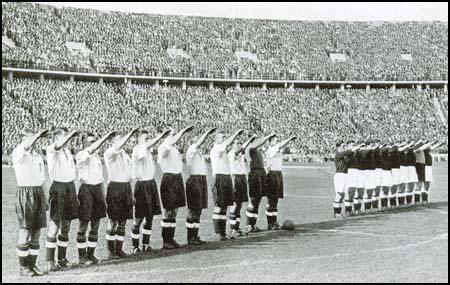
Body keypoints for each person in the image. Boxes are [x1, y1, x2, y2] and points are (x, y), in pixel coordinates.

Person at [12, 127, 49, 276]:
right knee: (25, 230)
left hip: (38, 192)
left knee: (37, 231)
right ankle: (24, 267)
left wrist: (45, 197)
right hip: (25, 193)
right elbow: (27, 145)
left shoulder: (38, 156)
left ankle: (33, 265)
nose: (35, 140)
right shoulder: (18, 151)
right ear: (23, 139)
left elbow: (42, 180)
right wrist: (39, 134)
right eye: (31, 137)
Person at [76, 131, 116, 265]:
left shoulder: (96, 157)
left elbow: (100, 178)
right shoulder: (81, 155)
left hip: (97, 189)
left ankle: (90, 254)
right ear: (84, 143)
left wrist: (103, 197)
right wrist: (105, 136)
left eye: (95, 141)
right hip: (86, 189)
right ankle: (82, 257)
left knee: (96, 224)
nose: (94, 144)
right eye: (91, 142)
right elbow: (91, 150)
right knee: (83, 224)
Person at [45, 127, 81, 271]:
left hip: (70, 187)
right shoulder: (52, 149)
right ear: (57, 137)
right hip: (58, 187)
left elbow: (71, 173)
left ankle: (62, 259)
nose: (68, 139)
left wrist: (74, 193)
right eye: (65, 136)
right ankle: (49, 261)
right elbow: (59, 145)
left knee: (66, 225)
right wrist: (71, 134)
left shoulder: (67, 151)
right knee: (55, 224)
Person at [131, 129, 169, 253]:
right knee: (139, 217)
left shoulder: (147, 151)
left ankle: (146, 244)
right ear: (139, 139)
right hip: (142, 185)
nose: (148, 141)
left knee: (150, 216)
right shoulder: (138, 149)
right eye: (145, 138)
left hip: (151, 184)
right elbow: (146, 146)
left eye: (148, 138)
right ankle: (135, 246)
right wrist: (161, 136)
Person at [104, 128, 139, 259]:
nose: (123, 141)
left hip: (125, 188)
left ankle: (119, 249)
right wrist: (130, 133)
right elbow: (118, 147)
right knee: (113, 221)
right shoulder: (109, 152)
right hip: (115, 187)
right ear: (112, 141)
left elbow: (128, 175)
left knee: (123, 221)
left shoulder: (125, 154)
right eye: (119, 138)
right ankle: (111, 251)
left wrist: (131, 193)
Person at [158, 125, 194, 249]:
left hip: (177, 178)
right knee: (168, 211)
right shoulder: (163, 147)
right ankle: (165, 240)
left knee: (175, 211)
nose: (175, 136)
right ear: (166, 136)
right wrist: (183, 131)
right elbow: (169, 144)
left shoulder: (175, 148)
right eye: (172, 134)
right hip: (169, 179)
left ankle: (171, 238)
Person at [210, 129, 244, 240]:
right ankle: (217, 232)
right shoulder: (216, 148)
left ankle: (223, 232)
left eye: (224, 136)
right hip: (219, 177)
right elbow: (227, 144)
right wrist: (235, 134)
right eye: (221, 136)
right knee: (219, 206)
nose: (224, 138)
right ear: (216, 139)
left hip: (226, 177)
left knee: (224, 207)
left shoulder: (223, 149)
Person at [185, 128, 216, 245]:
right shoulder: (191, 149)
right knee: (193, 209)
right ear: (191, 142)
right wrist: (207, 132)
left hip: (201, 179)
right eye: (196, 140)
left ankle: (195, 235)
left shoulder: (198, 152)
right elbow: (199, 143)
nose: (199, 141)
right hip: (194, 179)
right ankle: (190, 237)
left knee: (199, 209)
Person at [245, 132, 276, 232]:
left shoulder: (256, 149)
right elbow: (260, 142)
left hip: (261, 173)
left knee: (257, 200)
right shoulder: (250, 147)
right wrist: (269, 135)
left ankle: (253, 225)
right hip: (254, 174)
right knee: (253, 200)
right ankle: (249, 225)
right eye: (256, 138)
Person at [265, 135, 297, 229]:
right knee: (271, 200)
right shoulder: (271, 149)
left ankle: (274, 222)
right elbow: (280, 145)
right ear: (270, 142)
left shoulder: (276, 150)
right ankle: (270, 223)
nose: (277, 142)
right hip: (272, 174)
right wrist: (289, 139)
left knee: (275, 200)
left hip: (278, 174)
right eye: (275, 140)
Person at [228, 135, 256, 236]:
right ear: (232, 146)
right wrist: (248, 141)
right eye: (237, 143)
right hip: (235, 178)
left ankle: (237, 227)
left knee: (239, 205)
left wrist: (248, 141)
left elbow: (242, 150)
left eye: (240, 143)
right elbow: (239, 150)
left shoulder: (240, 154)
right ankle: (232, 229)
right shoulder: (231, 154)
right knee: (235, 204)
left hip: (242, 178)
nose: (239, 145)